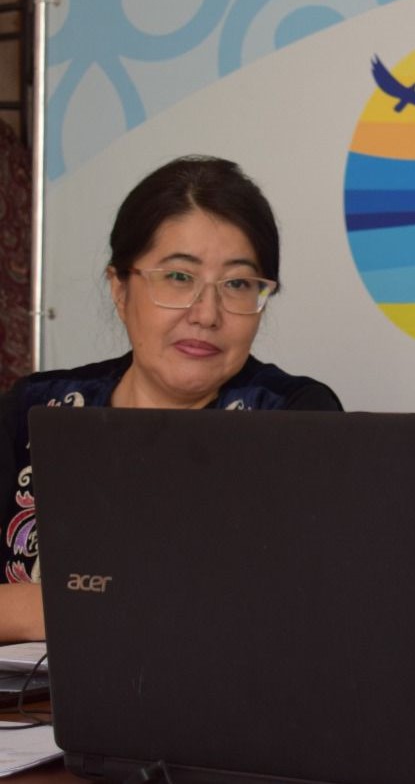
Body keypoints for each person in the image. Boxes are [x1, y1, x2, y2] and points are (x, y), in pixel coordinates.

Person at [0, 156, 342, 642]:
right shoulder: (34, 411)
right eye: (179, 277)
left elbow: (293, 613)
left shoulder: (292, 416)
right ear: (120, 289)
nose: (206, 314)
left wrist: (57, 606)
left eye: (238, 284)